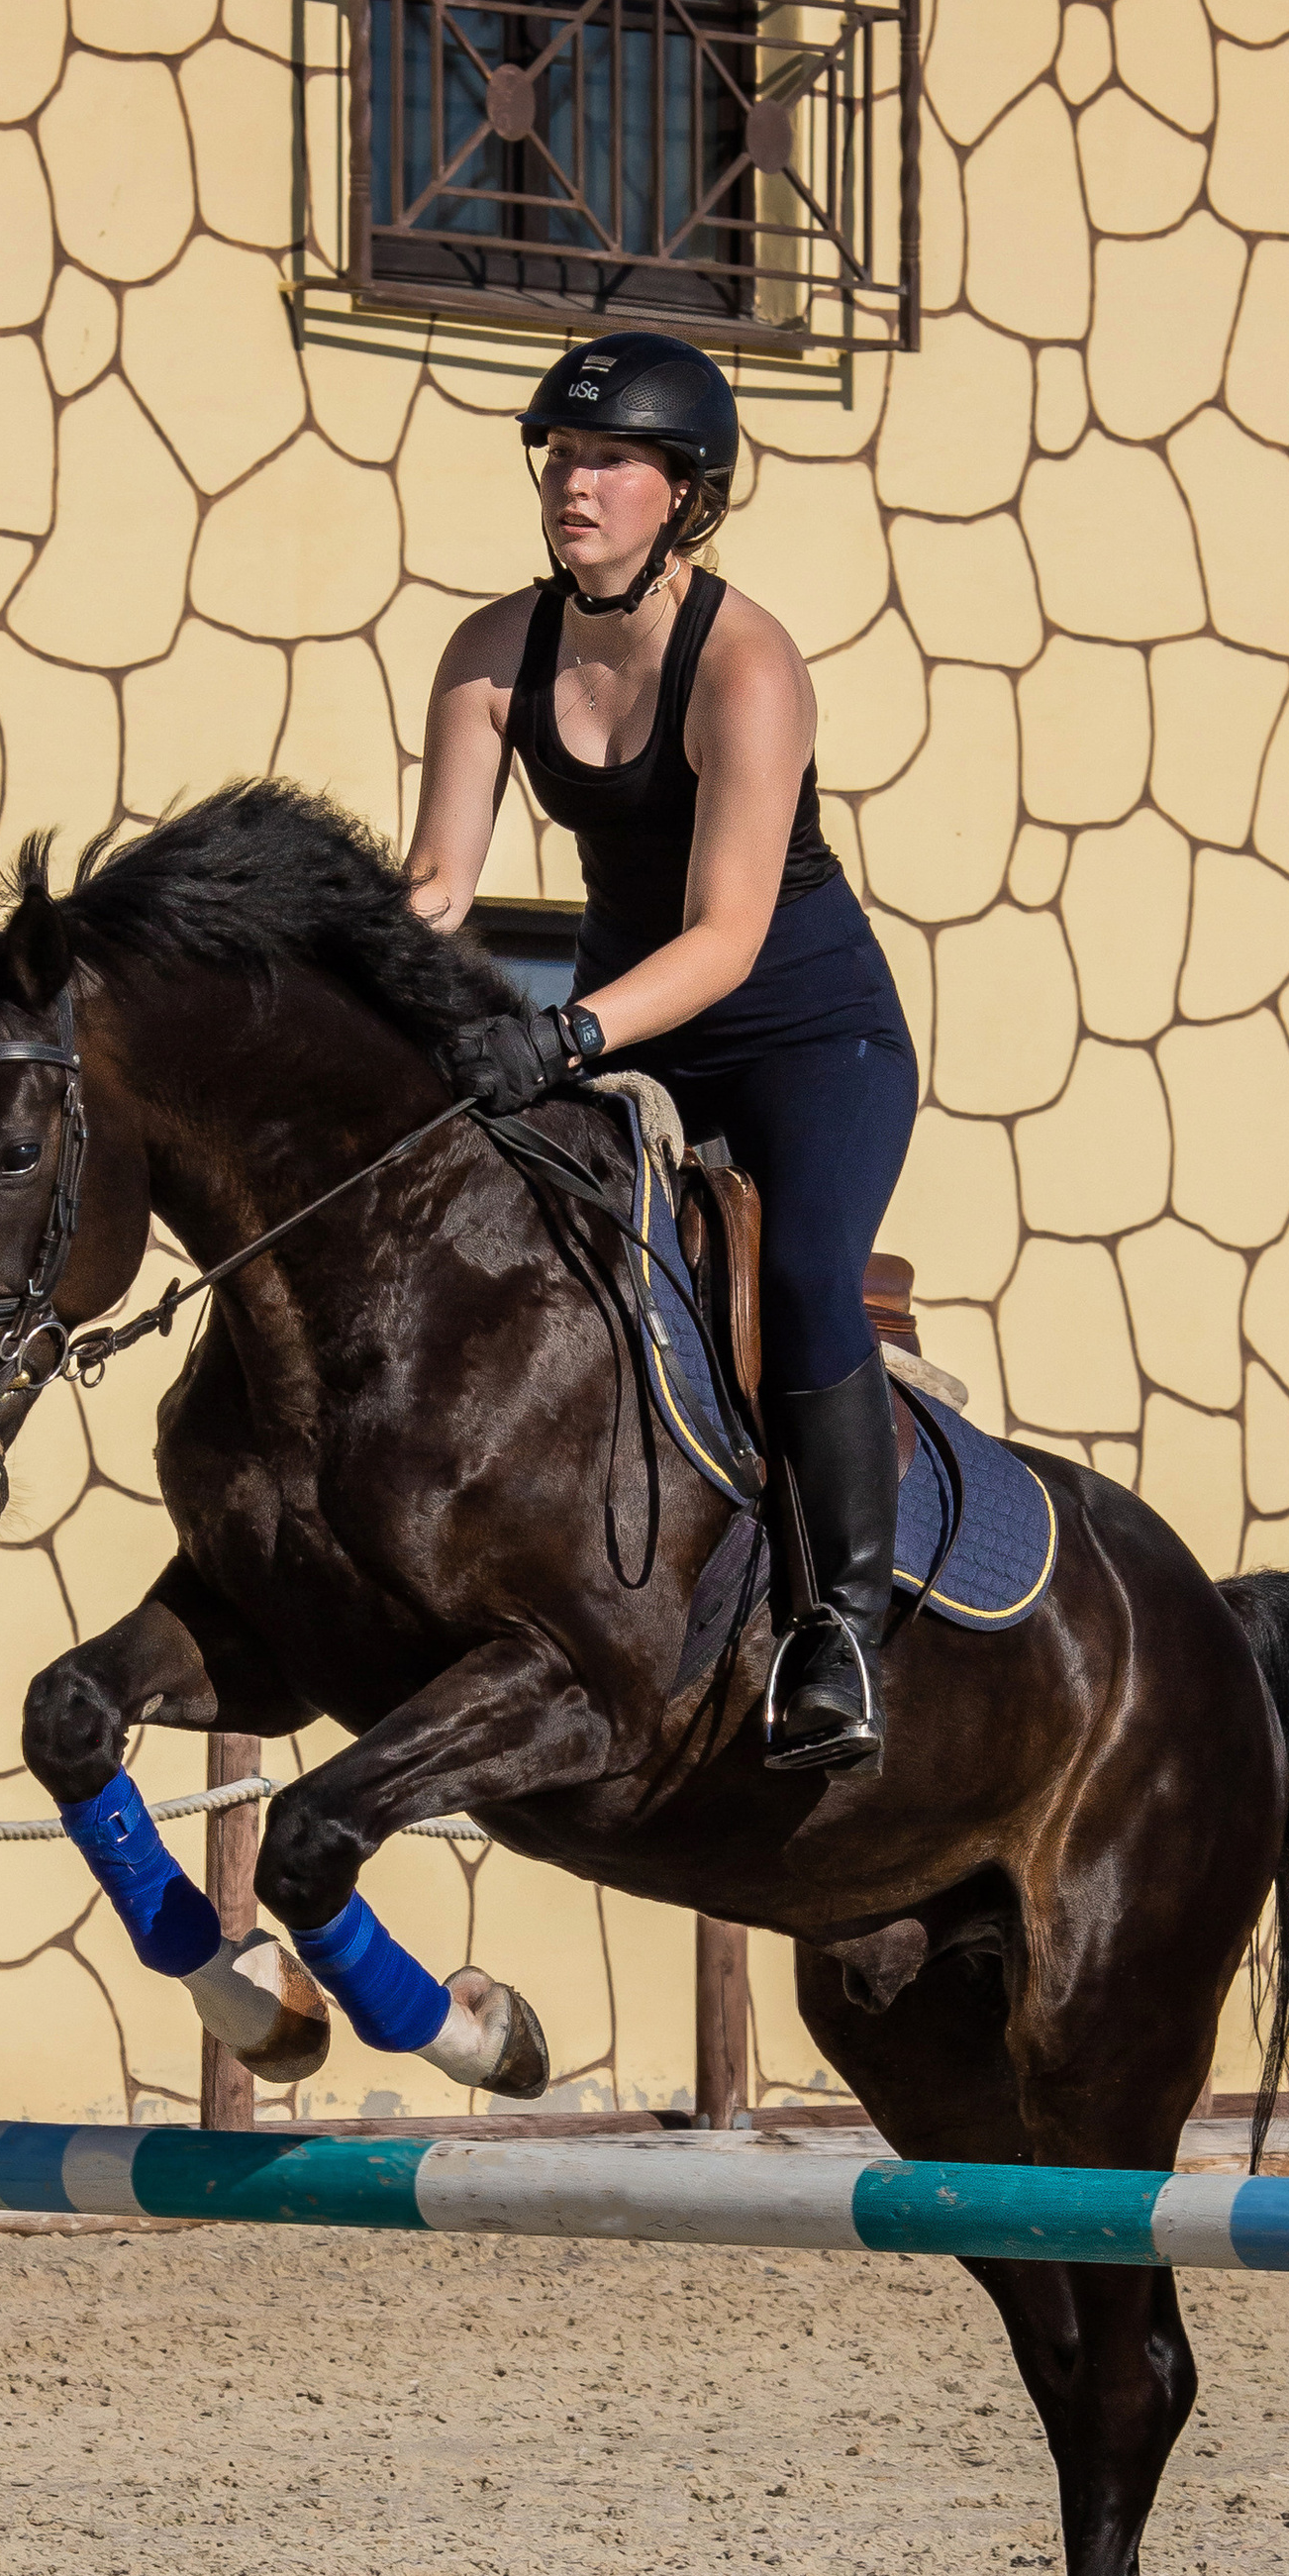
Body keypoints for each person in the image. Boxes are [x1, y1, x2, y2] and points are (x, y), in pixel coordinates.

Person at [405, 329, 919, 1778]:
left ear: (685, 493)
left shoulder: (748, 665)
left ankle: (841, 1636)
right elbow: (438, 884)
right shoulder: (492, 649)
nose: (572, 483)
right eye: (560, 455)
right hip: (632, 1027)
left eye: (608, 459)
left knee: (810, 1278)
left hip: (809, 1042)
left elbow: (728, 935)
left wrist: (565, 1030)